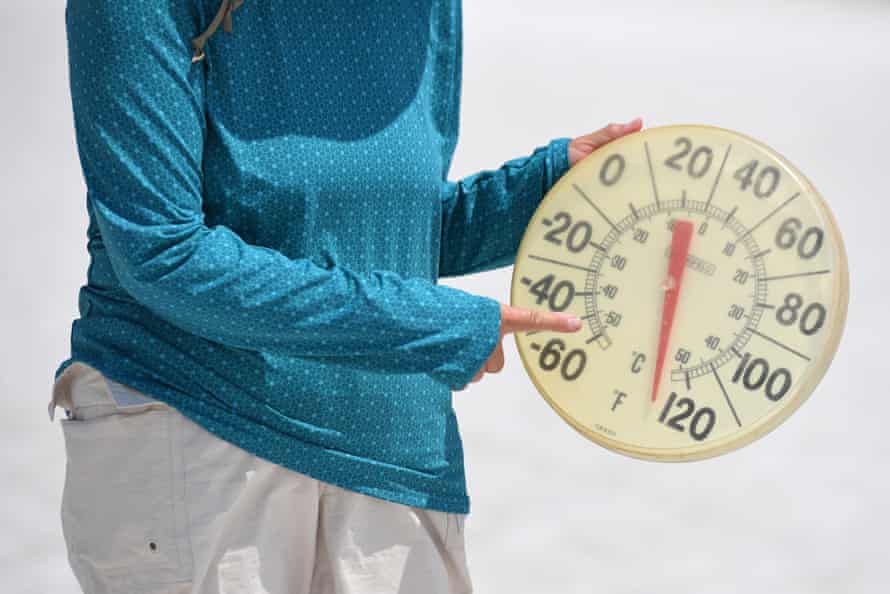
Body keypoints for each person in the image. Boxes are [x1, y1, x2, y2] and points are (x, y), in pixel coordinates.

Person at [49, 0, 642, 592]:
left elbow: (389, 235)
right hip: (198, 437)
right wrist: (422, 327)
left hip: (399, 463)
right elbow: (164, 254)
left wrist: (542, 193)